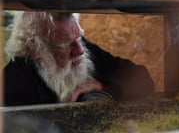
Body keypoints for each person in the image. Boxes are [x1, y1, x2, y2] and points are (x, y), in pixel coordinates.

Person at [3, 11, 155, 106]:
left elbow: (143, 79)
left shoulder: (83, 47)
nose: (80, 51)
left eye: (79, 38)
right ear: (35, 49)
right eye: (65, 45)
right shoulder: (12, 83)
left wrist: (104, 87)